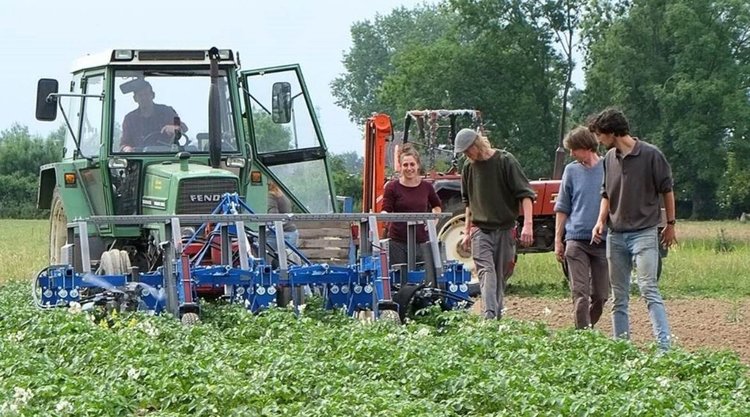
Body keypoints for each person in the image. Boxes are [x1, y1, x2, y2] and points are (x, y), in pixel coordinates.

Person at [589, 108, 677, 350]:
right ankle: (621, 347)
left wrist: (670, 224)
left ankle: (664, 347)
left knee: (648, 288)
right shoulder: (609, 159)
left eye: (599, 135)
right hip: (615, 235)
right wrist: (599, 221)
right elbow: (606, 193)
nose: (598, 140)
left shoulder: (651, 155)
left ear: (611, 132)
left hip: (645, 233)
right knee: (619, 296)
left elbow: (667, 191)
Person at [455, 128, 536, 320]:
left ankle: (495, 319)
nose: (467, 155)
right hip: (480, 230)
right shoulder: (468, 167)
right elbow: (469, 203)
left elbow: (526, 195)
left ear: (477, 145)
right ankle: (489, 317)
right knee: (486, 273)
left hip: (505, 228)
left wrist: (528, 225)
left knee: (500, 277)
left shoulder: (505, 161)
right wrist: (466, 231)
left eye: (468, 150)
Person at [554, 126, 609, 330]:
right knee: (580, 293)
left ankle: (587, 327)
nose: (571, 154)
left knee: (601, 295)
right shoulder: (571, 171)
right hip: (575, 240)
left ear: (586, 147)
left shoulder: (607, 167)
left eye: (573, 149)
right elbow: (562, 207)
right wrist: (558, 240)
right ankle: (581, 335)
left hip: (602, 241)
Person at [381, 143, 442, 267]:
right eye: (405, 165)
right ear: (400, 166)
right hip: (398, 243)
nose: (409, 168)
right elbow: (386, 209)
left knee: (422, 281)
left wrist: (433, 222)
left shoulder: (427, 187)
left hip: (421, 242)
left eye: (412, 164)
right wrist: (383, 216)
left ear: (418, 165)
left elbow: (437, 206)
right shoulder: (392, 187)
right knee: (399, 282)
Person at [119, 79, 187, 152]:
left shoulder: (167, 111)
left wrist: (175, 128)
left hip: (168, 155)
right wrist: (127, 149)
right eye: (140, 95)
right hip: (140, 158)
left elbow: (183, 127)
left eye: (146, 94)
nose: (144, 98)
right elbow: (124, 144)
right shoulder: (130, 119)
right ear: (135, 98)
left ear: (153, 95)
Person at [267, 180, 299, 249]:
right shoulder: (282, 194)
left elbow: (273, 216)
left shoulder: (271, 195)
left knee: (260, 245)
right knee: (289, 257)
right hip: (292, 231)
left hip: (282, 232)